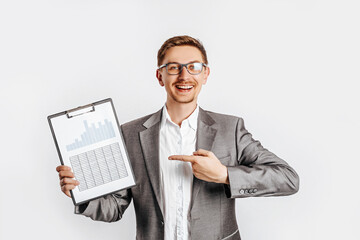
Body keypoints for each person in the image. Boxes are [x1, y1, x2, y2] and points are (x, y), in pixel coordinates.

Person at [56, 35, 299, 240]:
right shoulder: (130, 134)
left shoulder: (230, 129)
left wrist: (224, 175)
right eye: (173, 68)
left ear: (205, 74)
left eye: (193, 66)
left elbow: (288, 179)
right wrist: (82, 194)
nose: (184, 76)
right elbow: (115, 207)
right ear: (160, 76)